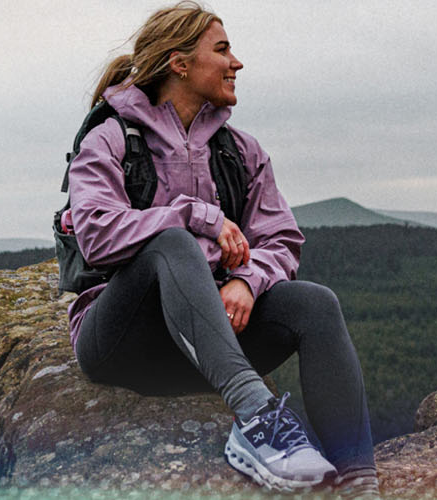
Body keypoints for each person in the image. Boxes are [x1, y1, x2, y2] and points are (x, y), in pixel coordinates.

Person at [58, 1, 373, 491]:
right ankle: (257, 420)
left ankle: (359, 480)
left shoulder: (239, 150)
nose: (236, 63)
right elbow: (97, 233)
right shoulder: (111, 139)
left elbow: (281, 238)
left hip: (212, 346)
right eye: (222, 50)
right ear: (180, 64)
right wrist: (194, 215)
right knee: (173, 244)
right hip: (124, 343)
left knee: (316, 303)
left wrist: (247, 282)